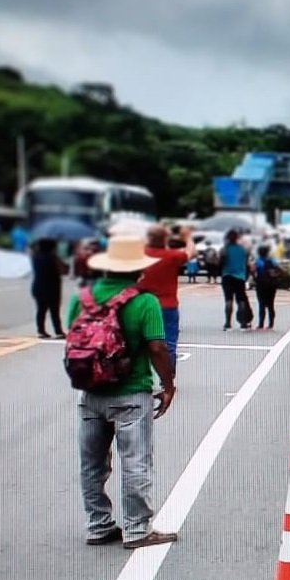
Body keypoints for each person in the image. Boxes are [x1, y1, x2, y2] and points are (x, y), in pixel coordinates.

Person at [65, 235, 178, 549]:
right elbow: (157, 346)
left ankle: (98, 525)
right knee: (136, 461)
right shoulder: (144, 301)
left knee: (92, 464)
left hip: (89, 394)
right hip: (131, 393)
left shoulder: (82, 297)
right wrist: (168, 385)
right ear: (136, 270)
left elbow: (73, 340)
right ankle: (138, 529)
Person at [138, 224, 194, 374]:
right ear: (165, 239)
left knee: (142, 341)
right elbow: (190, 253)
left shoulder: (140, 254)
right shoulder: (172, 256)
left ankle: (143, 373)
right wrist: (187, 237)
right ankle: (167, 377)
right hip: (168, 305)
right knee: (169, 342)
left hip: (143, 304)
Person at [31, 238, 67, 338]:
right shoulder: (53, 258)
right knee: (54, 311)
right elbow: (63, 270)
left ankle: (41, 330)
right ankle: (58, 331)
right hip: (52, 287)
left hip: (38, 286)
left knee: (41, 310)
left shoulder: (35, 256)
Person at [219, 229, 252, 330]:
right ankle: (243, 323)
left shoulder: (224, 249)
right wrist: (246, 276)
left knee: (229, 299)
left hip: (227, 275)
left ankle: (228, 323)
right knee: (241, 299)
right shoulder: (243, 250)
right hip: (240, 276)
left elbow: (221, 262)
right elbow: (247, 264)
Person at [253, 243, 280, 329]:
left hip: (261, 285)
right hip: (271, 285)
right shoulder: (272, 260)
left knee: (261, 304)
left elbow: (253, 271)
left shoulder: (258, 261)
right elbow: (279, 269)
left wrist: (255, 279)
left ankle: (261, 324)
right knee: (271, 304)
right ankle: (271, 324)